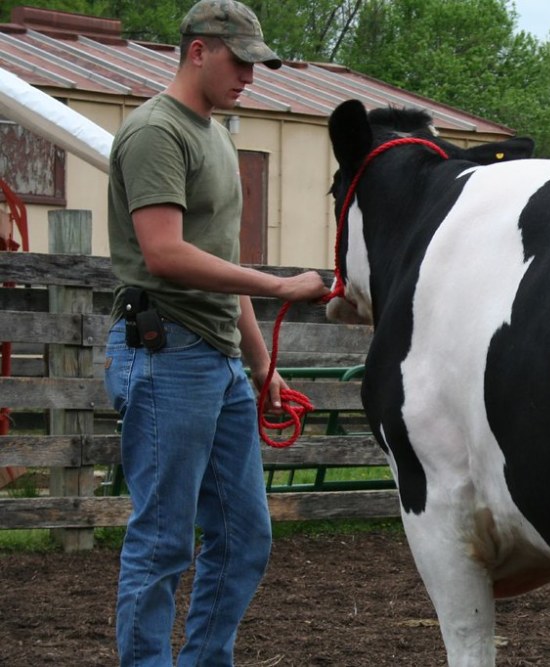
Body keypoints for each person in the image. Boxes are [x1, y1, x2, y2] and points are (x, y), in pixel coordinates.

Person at [103, 1, 330, 664]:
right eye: (239, 62)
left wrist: (261, 367)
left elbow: (222, 269)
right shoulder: (155, 133)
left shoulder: (217, 138)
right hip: (164, 352)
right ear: (198, 50)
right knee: (164, 537)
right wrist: (282, 286)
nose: (250, 78)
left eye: (256, 65)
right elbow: (165, 253)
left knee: (243, 533)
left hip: (217, 361)